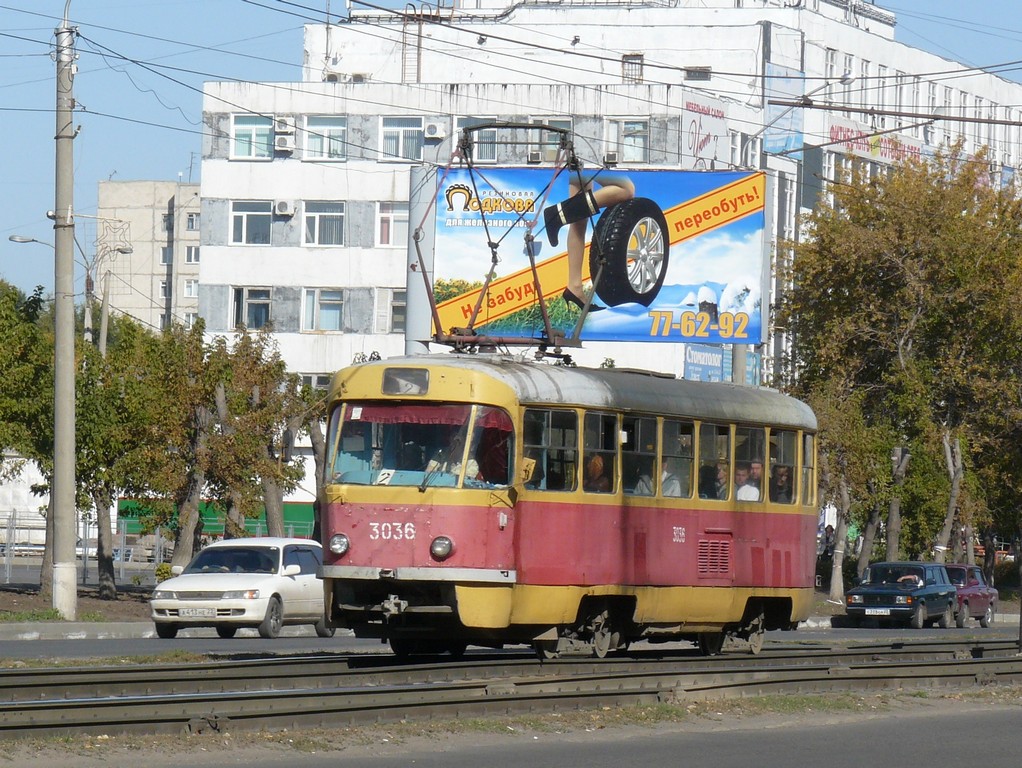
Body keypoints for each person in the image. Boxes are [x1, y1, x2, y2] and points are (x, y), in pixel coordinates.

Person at [542, 171, 635, 311]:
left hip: (578, 154)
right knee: (626, 188)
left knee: (579, 218)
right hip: (586, 152)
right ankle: (559, 214)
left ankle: (574, 287)